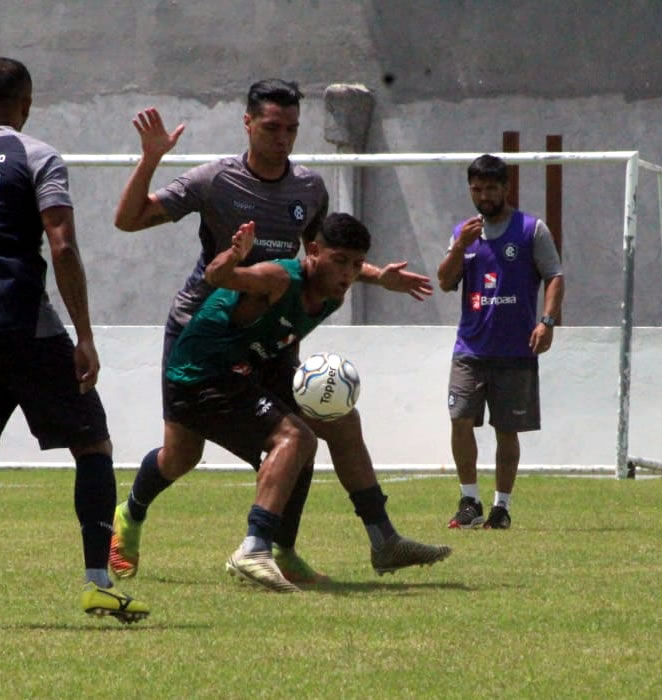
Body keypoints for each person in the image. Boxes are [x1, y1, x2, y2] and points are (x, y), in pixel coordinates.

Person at [110, 79, 437, 584]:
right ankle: (130, 515)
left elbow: (325, 257)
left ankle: (368, 541)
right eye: (271, 127)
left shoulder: (308, 188)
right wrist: (150, 158)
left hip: (272, 337)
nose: (283, 138)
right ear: (248, 123)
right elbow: (128, 220)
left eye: (291, 129)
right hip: (205, 330)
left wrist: (377, 276)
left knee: (331, 421)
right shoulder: (215, 180)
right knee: (182, 455)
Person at [0, 57, 149, 627]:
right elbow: (61, 246)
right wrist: (84, 337)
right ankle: (96, 584)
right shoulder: (37, 155)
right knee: (92, 445)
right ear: (26, 104)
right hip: (26, 327)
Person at [158, 213, 451, 592]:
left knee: (342, 420)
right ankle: (254, 548)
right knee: (293, 439)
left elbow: (347, 269)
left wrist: (378, 277)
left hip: (249, 371)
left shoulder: (331, 283)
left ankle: (385, 541)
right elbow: (216, 277)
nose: (349, 273)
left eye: (356, 263)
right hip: (201, 377)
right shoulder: (278, 278)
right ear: (312, 251)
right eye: (340, 261)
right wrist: (234, 255)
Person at [437, 154, 564, 530]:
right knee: (460, 420)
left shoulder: (530, 229)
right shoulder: (464, 232)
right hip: (470, 350)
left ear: (506, 188)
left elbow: (554, 276)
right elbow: (445, 281)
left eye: (491, 188)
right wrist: (459, 246)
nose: (484, 196)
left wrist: (547, 322)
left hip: (515, 349)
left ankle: (501, 507)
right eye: (477, 189)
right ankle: (469, 501)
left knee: (505, 430)